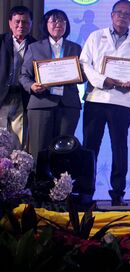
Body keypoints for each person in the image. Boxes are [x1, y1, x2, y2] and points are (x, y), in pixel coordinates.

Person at [79, 0, 130, 206]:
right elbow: (84, 63)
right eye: (119, 12)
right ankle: (86, 193)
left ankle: (118, 193)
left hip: (121, 101)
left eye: (127, 14)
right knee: (90, 147)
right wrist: (103, 80)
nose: (122, 16)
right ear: (112, 15)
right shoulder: (95, 36)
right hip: (95, 98)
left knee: (120, 148)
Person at [19, 9, 82, 162]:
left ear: (66, 25)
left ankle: (62, 178)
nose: (58, 24)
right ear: (45, 25)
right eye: (53, 21)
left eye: (62, 20)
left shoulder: (76, 48)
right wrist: (32, 86)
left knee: (65, 150)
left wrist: (80, 75)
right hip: (41, 104)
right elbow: (23, 75)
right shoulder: (34, 47)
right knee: (39, 150)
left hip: (68, 105)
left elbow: (83, 77)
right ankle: (39, 178)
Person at [0, 6, 36, 147]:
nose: (21, 25)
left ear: (31, 24)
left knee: (19, 140)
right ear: (10, 23)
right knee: (1, 137)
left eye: (25, 22)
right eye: (17, 22)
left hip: (23, 97)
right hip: (2, 95)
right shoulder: (1, 41)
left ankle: (17, 162)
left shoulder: (36, 45)